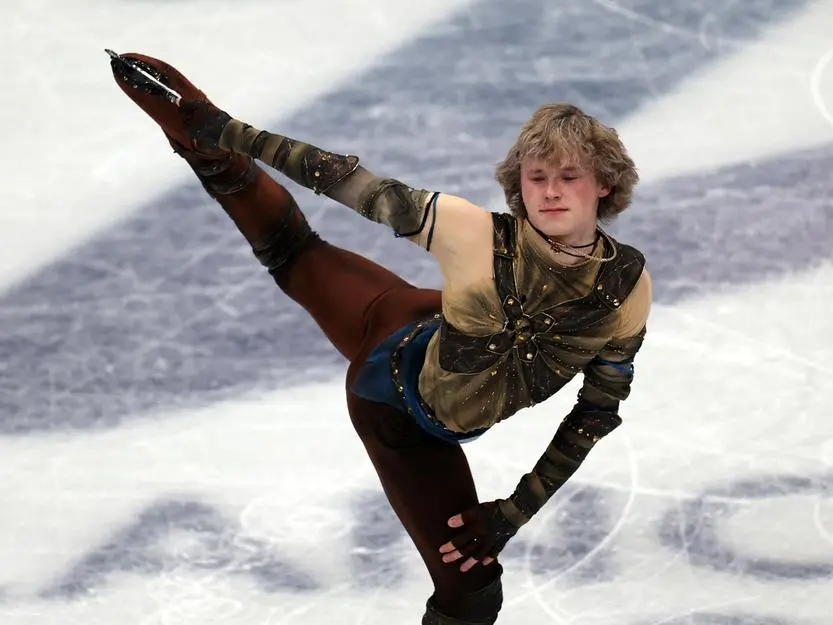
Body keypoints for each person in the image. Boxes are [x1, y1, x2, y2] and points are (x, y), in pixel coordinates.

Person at [109, 52, 651, 625]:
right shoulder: (470, 230)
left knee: (294, 253)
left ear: (604, 185)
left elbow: (595, 410)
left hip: (423, 322)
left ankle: (209, 157)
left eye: (569, 177)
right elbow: (344, 180)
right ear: (518, 183)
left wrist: (513, 513)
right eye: (536, 177)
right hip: (396, 408)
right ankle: (206, 150)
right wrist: (226, 129)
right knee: (471, 595)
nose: (550, 193)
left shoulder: (628, 287)